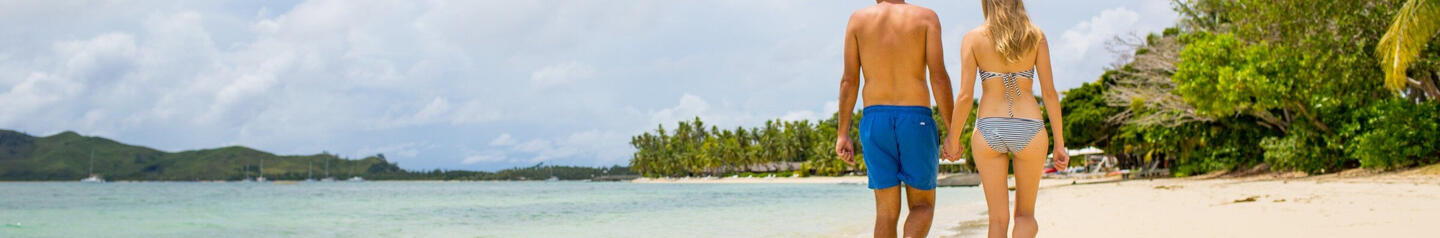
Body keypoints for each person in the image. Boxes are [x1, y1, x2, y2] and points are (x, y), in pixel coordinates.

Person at [939, 0, 1069, 237]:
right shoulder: (1035, 35)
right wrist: (1060, 143)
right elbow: (1049, 93)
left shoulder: (973, 38)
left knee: (997, 219)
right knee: (1025, 216)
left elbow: (966, 96)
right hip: (1029, 127)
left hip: (989, 128)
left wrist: (953, 138)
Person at [834, 0, 953, 237]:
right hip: (915, 120)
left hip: (875, 120)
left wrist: (842, 133)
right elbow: (938, 77)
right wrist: (953, 130)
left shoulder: (858, 20)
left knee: (886, 213)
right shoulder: (926, 17)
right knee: (922, 205)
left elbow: (849, 80)